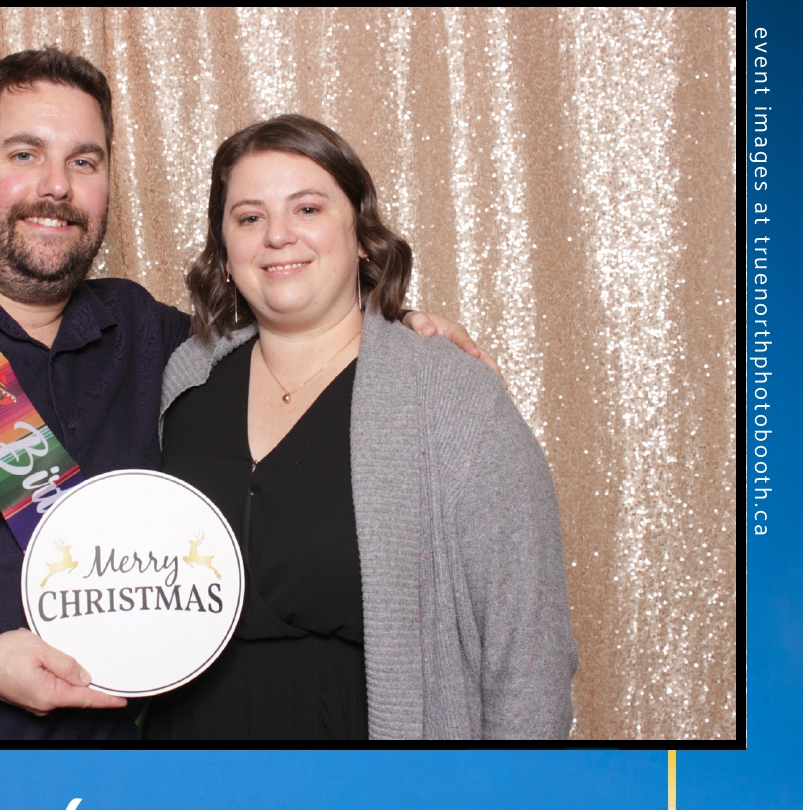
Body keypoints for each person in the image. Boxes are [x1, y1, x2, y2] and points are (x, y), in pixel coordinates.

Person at [0, 47, 490, 743]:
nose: (56, 186)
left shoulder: (155, 339)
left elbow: (297, 333)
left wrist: (395, 335)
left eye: (84, 161)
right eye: (25, 154)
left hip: (137, 787)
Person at [148, 116, 578, 743]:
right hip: (193, 767)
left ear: (362, 239)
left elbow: (530, 650)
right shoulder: (187, 379)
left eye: (308, 208)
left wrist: (506, 791)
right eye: (249, 217)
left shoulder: (449, 393)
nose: (277, 235)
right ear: (226, 251)